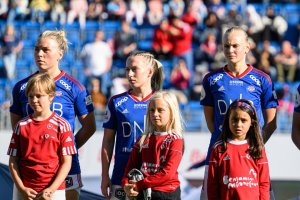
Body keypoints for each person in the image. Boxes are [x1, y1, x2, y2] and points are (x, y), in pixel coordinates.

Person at [10, 30, 96, 200]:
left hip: (67, 167)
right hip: (31, 168)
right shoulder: (21, 87)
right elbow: (17, 127)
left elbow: (90, 127)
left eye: (45, 50)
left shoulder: (75, 87)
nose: (39, 54)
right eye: (36, 49)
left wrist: (63, 151)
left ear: (60, 54)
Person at [200, 26, 278, 199]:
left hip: (252, 159)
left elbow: (271, 124)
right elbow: (211, 124)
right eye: (226, 46)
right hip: (219, 156)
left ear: (247, 47)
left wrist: (251, 146)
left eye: (235, 45)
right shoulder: (211, 80)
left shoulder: (262, 79)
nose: (230, 50)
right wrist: (228, 147)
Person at [101, 51, 164, 200]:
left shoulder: (162, 101)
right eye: (127, 69)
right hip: (121, 176)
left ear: (149, 71)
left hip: (153, 179)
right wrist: (105, 176)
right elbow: (108, 141)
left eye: (134, 69)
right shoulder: (116, 102)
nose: (129, 74)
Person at [8, 73, 76, 200]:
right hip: (25, 191)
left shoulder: (62, 125)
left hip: (53, 191)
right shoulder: (21, 125)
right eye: (30, 96)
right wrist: (22, 188)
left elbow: (66, 163)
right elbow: (13, 162)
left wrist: (51, 189)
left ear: (51, 97)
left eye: (39, 96)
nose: (34, 100)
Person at [121, 91, 184, 200]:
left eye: (160, 110)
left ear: (172, 112)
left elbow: (167, 174)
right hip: (143, 191)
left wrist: (138, 185)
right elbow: (130, 166)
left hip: (166, 194)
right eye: (152, 110)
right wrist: (126, 184)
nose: (155, 114)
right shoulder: (143, 138)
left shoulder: (176, 139)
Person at [207, 99, 270, 199]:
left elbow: (264, 183)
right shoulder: (219, 148)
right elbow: (212, 185)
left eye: (244, 120)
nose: (238, 125)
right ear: (228, 120)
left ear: (252, 123)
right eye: (235, 119)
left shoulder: (257, 148)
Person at [80, 30, 113, 96]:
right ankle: (88, 104)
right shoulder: (88, 46)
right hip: (91, 72)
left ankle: (103, 103)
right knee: (88, 90)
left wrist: (107, 69)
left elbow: (109, 58)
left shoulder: (105, 46)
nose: (97, 36)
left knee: (103, 89)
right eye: (96, 35)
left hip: (102, 72)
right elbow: (82, 57)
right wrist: (85, 68)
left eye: (99, 35)